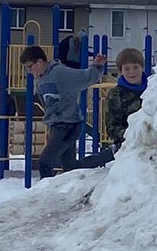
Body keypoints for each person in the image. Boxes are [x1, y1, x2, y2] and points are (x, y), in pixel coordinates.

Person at [19, 45, 107, 179]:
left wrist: (97, 67)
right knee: (71, 167)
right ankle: (110, 154)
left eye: (29, 67)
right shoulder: (41, 79)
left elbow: (84, 77)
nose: (28, 71)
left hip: (68, 125)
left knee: (45, 162)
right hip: (58, 126)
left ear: (39, 62)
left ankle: (45, 195)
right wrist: (50, 126)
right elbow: (48, 106)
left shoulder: (60, 73)